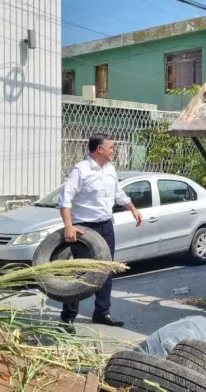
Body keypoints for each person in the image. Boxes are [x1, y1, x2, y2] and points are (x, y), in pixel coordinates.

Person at [58, 133, 143, 333]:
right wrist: (69, 226)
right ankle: (67, 318)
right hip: (85, 229)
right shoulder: (81, 170)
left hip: (106, 225)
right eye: (111, 147)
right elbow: (65, 199)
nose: (113, 150)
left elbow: (118, 193)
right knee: (81, 273)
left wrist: (133, 208)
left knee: (107, 269)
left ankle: (102, 312)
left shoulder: (110, 168)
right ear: (100, 149)